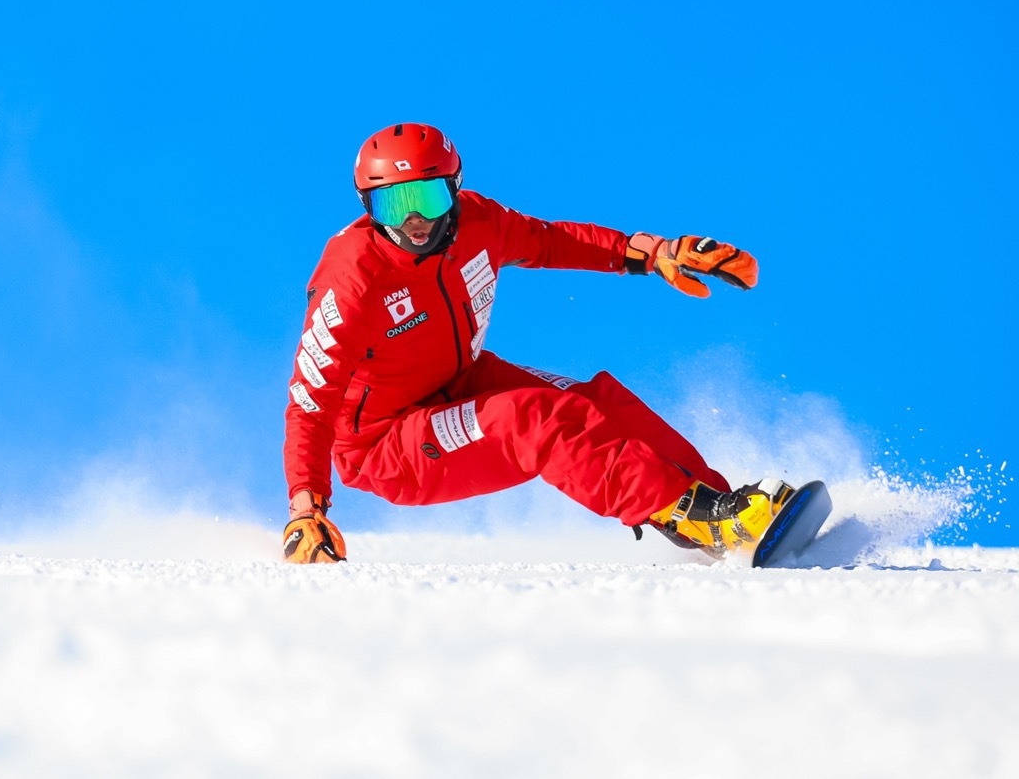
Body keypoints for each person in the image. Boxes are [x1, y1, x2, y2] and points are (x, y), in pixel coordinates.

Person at [281, 122, 785, 564]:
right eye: (393, 203)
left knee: (593, 402)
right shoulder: (351, 276)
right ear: (368, 207)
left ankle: (715, 505)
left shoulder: (478, 222)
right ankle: (690, 513)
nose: (413, 220)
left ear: (455, 190)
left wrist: (654, 253)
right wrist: (307, 508)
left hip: (459, 381)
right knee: (536, 419)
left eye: (428, 198)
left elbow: (549, 240)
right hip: (388, 444)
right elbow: (310, 400)